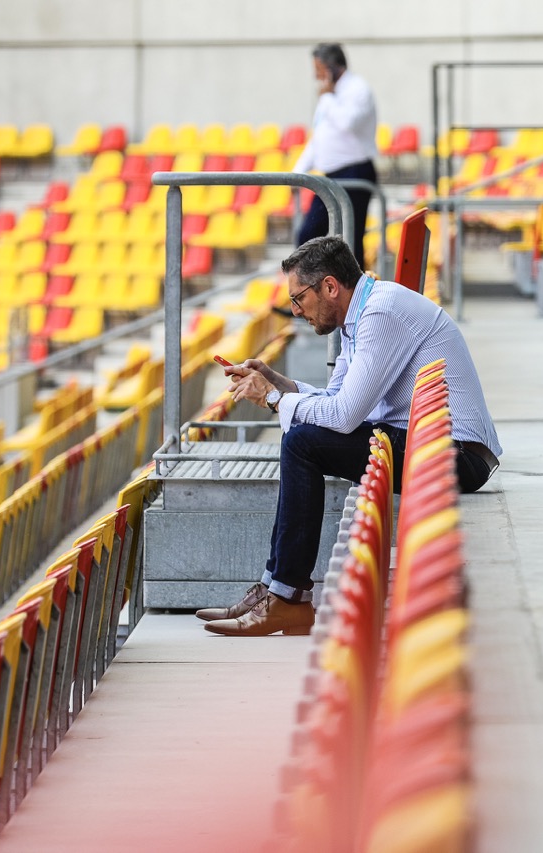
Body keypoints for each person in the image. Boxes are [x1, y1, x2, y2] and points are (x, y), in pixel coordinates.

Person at [197, 236, 502, 637]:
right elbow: (336, 400)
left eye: (299, 298)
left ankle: (286, 596)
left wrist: (273, 400)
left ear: (329, 287)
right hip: (427, 441)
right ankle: (277, 588)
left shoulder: (381, 314)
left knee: (302, 442)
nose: (294, 310)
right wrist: (280, 384)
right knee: (304, 435)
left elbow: (342, 418)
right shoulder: (360, 316)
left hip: (457, 455)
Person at [293, 43, 378, 268]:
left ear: (331, 67)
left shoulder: (358, 89)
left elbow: (347, 123)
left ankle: (357, 296)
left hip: (354, 170)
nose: (316, 76)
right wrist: (296, 173)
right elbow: (319, 137)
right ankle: (308, 296)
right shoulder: (327, 98)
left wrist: (328, 98)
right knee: (308, 235)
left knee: (351, 239)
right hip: (331, 174)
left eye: (319, 69)